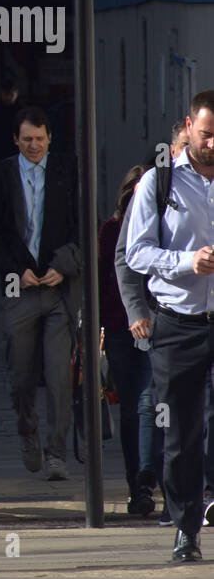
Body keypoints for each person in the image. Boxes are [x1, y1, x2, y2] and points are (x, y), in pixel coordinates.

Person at [125, 91, 214, 561]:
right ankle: (186, 529)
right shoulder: (159, 182)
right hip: (178, 322)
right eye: (206, 134)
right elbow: (136, 251)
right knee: (181, 433)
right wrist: (186, 261)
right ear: (188, 125)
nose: (213, 143)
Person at [0, 106, 81, 482]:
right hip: (18, 285)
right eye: (27, 140)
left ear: (50, 137)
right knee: (21, 375)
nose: (34, 146)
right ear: (15, 140)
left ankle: (57, 454)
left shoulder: (68, 170)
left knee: (58, 377)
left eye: (39, 139)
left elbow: (83, 222)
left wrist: (66, 265)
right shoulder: (0, 174)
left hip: (58, 287)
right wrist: (13, 270)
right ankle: (28, 429)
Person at [115, 122, 188, 524]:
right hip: (156, 316)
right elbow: (126, 260)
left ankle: (189, 491)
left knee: (186, 409)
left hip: (196, 316)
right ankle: (146, 479)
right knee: (151, 402)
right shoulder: (152, 187)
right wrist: (135, 311)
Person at [102, 164, 161, 519]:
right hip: (121, 328)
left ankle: (149, 479)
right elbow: (105, 279)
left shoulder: (161, 226)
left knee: (151, 403)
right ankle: (137, 483)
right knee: (135, 403)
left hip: (160, 323)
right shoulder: (111, 231)